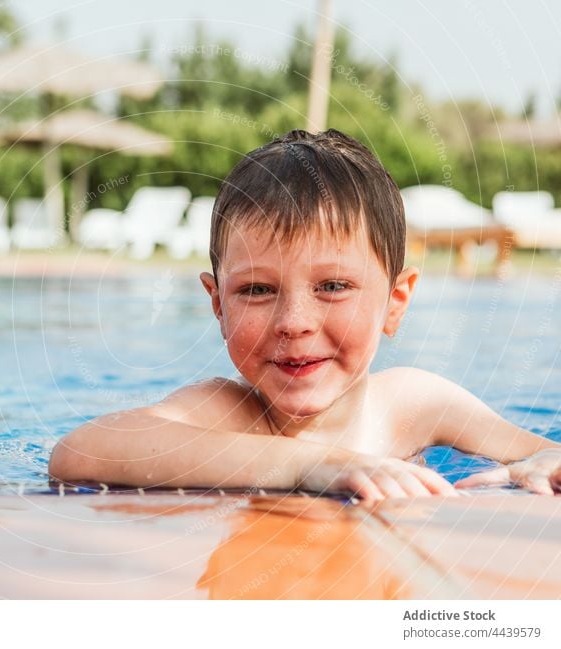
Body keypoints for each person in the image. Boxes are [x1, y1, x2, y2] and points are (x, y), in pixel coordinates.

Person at [49, 129, 561, 500]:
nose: (294, 321)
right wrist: (310, 464)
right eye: (256, 289)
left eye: (334, 286)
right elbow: (80, 453)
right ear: (218, 306)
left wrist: (537, 465)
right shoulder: (226, 412)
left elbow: (537, 451)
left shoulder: (413, 404)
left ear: (396, 300)